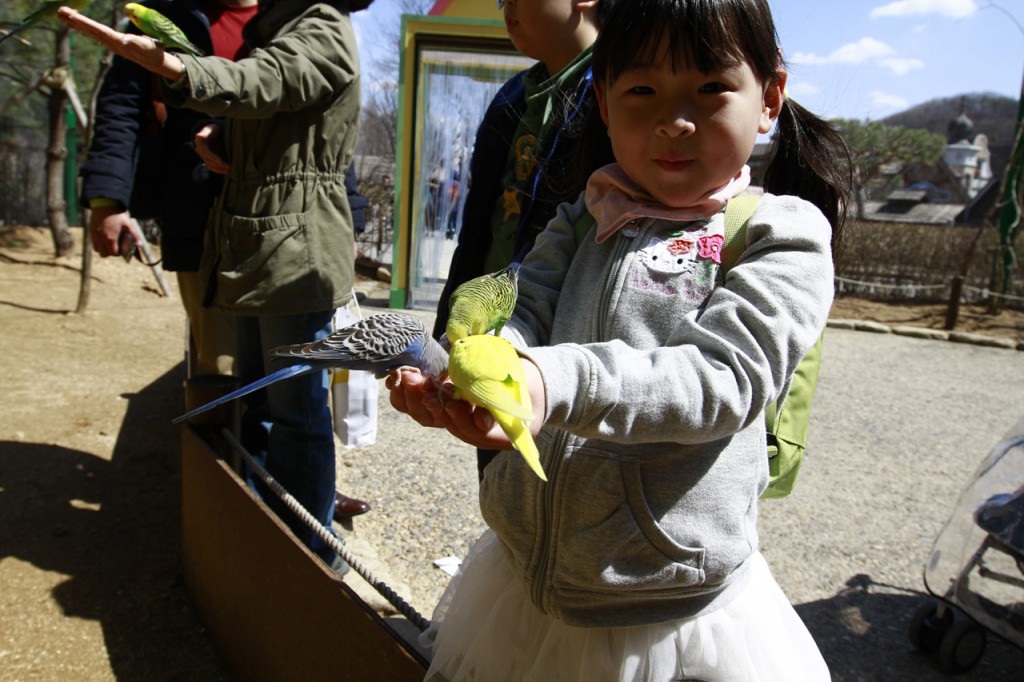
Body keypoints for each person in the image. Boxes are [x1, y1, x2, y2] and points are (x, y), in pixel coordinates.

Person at [389, 0, 853, 678]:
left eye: (710, 88)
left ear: (769, 98)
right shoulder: (583, 217)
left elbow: (721, 378)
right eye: (642, 91)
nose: (674, 120)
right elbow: (526, 313)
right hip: (527, 584)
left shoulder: (777, 235)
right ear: (604, 104)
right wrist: (477, 376)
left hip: (665, 604)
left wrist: (552, 381)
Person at [60, 0, 375, 573]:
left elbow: (268, 81)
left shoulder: (321, 23)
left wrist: (179, 69)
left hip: (295, 250)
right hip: (254, 240)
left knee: (296, 412)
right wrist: (228, 138)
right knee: (248, 401)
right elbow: (280, 114)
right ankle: (257, 526)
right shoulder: (276, 25)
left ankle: (308, 553)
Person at [432, 0, 616, 480]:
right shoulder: (515, 95)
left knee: (558, 479)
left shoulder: (626, 92)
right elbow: (477, 227)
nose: (506, 6)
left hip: (566, 357)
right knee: (499, 487)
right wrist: (447, 324)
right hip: (489, 332)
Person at [80, 0, 260, 378]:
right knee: (221, 367)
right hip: (197, 215)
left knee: (288, 373)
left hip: (289, 219)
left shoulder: (297, 14)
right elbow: (121, 107)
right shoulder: (164, 13)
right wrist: (107, 200)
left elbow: (324, 112)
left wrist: (350, 209)